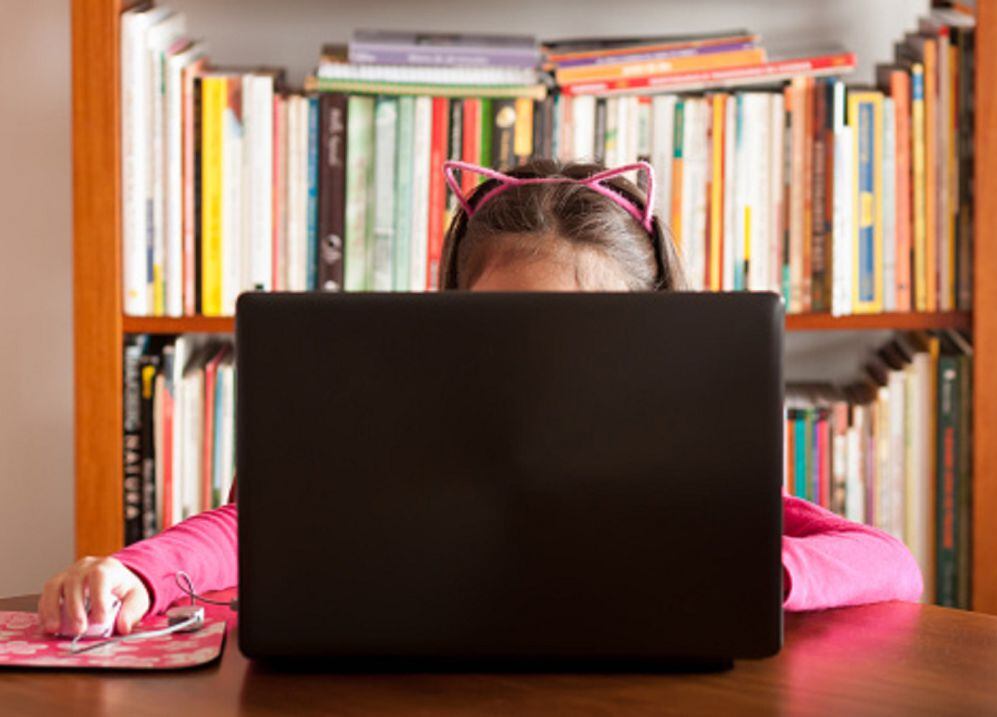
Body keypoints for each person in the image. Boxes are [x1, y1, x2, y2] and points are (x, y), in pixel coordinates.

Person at [39, 159, 922, 637]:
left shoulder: (681, 466)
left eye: (588, 337)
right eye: (508, 332)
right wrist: (134, 573)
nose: (546, 368)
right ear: (450, 323)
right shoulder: (404, 446)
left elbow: (890, 563)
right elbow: (250, 527)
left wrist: (759, 573)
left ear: (659, 334)